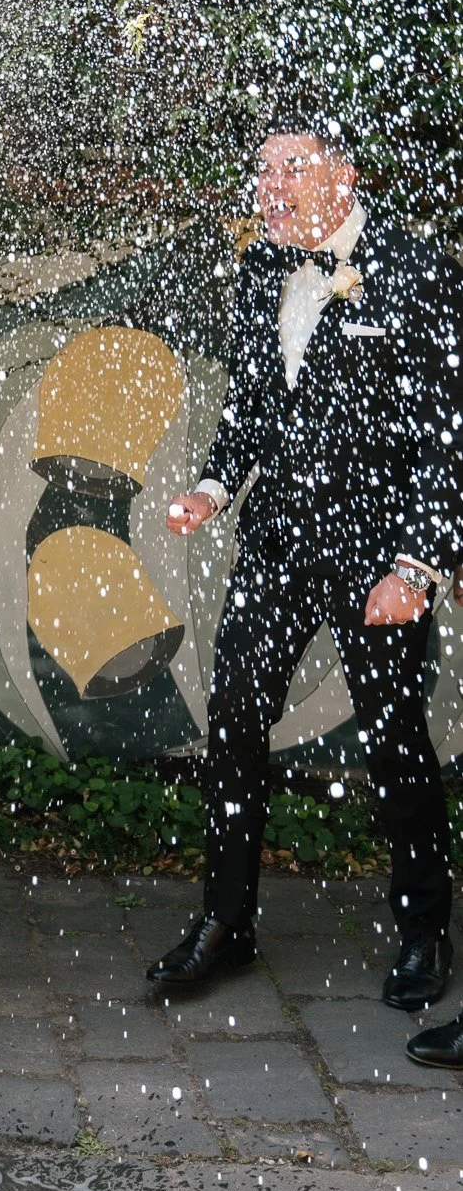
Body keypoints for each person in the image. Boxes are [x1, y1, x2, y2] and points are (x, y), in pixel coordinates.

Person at [150, 120, 462, 1017]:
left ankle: (424, 929)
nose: (271, 188)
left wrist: (417, 566)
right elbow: (252, 402)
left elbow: (446, 436)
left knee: (394, 740)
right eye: (263, 172)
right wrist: (211, 489)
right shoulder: (259, 271)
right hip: (279, 542)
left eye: (292, 170)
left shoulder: (411, 267)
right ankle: (225, 921)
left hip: (380, 554)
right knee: (234, 718)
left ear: (343, 173)